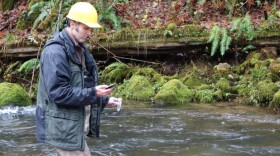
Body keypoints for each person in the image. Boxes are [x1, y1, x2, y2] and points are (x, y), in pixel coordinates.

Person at [35, 2, 120, 155]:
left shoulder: (79, 48)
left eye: (91, 29)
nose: (89, 33)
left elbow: (82, 86)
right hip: (63, 129)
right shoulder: (55, 52)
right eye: (86, 28)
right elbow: (59, 92)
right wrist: (93, 93)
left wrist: (103, 100)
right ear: (73, 24)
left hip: (72, 127)